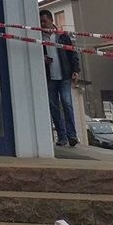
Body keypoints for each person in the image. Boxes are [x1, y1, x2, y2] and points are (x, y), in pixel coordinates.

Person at [40, 9, 80, 147]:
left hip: (64, 76)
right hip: (50, 77)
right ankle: (62, 136)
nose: (42, 24)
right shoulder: (39, 37)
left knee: (67, 104)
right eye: (41, 22)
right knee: (54, 107)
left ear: (51, 20)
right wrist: (43, 58)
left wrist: (76, 70)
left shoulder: (62, 36)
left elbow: (72, 53)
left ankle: (72, 135)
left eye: (45, 21)